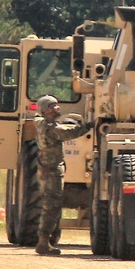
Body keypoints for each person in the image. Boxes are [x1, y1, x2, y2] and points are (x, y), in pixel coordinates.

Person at [34, 95, 88, 256]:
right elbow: (68, 133)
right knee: (52, 206)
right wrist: (89, 126)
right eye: (54, 106)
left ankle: (48, 239)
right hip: (52, 171)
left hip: (46, 168)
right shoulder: (51, 128)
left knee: (51, 204)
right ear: (47, 110)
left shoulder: (41, 123)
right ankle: (43, 241)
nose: (58, 108)